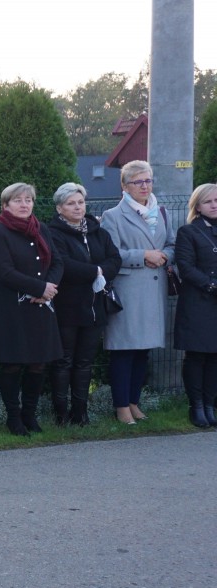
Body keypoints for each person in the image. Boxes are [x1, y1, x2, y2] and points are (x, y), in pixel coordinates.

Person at [0, 183, 63, 436]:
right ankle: (13, 417)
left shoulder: (42, 229)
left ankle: (30, 414)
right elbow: (3, 271)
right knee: (13, 364)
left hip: (42, 307)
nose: (24, 204)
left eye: (28, 199)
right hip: (13, 309)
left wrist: (49, 288)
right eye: (18, 200)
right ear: (5, 205)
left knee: (38, 364)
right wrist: (40, 287)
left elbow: (57, 261)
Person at [101, 160, 175, 425]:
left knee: (143, 350)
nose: (144, 186)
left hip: (154, 289)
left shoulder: (162, 212)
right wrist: (143, 255)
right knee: (124, 350)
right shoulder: (113, 216)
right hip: (128, 290)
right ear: (125, 186)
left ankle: (134, 402)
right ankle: (121, 406)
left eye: (148, 181)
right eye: (138, 182)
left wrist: (165, 256)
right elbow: (112, 253)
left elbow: (171, 243)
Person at [45, 183, 121, 426]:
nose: (77, 207)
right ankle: (61, 413)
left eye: (80, 202)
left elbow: (115, 258)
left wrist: (102, 271)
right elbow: (63, 264)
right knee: (64, 361)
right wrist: (96, 271)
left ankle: (81, 412)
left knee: (84, 362)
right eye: (70, 203)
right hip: (67, 306)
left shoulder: (98, 230)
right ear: (59, 208)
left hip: (94, 306)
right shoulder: (52, 232)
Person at [173, 183, 217, 428]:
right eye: (209, 201)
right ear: (198, 206)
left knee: (215, 358)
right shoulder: (188, 232)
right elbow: (186, 268)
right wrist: (212, 286)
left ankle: (210, 405)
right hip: (199, 302)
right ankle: (196, 406)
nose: (214, 205)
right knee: (197, 356)